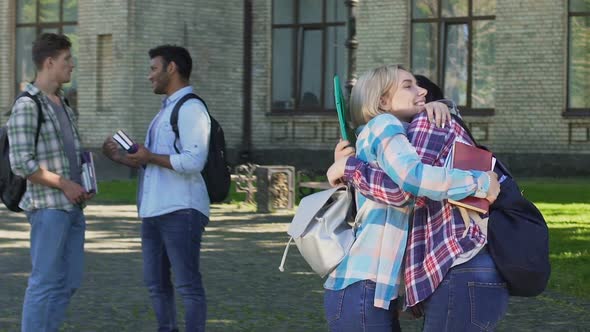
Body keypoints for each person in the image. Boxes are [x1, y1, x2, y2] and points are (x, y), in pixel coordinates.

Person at [322, 65, 500, 331]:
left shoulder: (388, 135)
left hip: (364, 288)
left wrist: (441, 105)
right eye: (408, 85)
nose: (422, 90)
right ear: (382, 100)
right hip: (361, 285)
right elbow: (409, 184)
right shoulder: (385, 124)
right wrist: (480, 182)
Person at [102, 45, 210, 332]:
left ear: (171, 68)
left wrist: (149, 155)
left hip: (181, 210)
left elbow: (194, 160)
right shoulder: (165, 111)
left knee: (187, 284)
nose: (149, 76)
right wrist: (122, 157)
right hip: (153, 210)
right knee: (155, 284)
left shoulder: (192, 108)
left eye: (153, 69)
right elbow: (154, 162)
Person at [7, 33, 91, 332]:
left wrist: (83, 181)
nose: (73, 65)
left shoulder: (64, 105)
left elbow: (70, 154)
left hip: (74, 207)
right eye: (68, 59)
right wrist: (65, 184)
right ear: (49, 62)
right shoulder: (28, 106)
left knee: (69, 282)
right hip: (48, 209)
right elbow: (21, 163)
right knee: (45, 282)